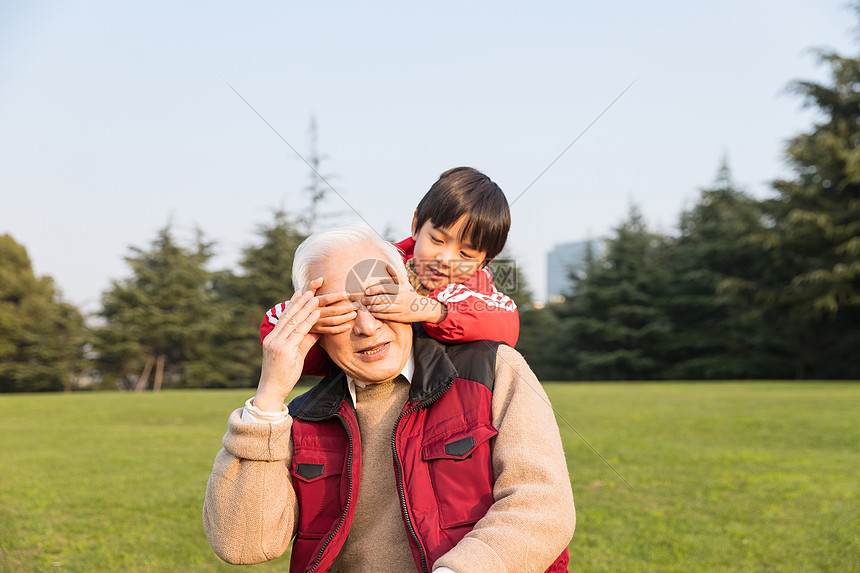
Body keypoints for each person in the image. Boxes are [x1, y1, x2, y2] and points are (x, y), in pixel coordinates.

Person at [203, 224, 576, 573]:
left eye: (378, 300)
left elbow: (541, 505)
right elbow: (242, 544)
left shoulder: (491, 370)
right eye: (341, 311)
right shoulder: (300, 419)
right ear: (311, 322)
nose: (366, 326)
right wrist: (268, 397)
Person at [260, 167, 519, 376]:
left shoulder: (475, 293)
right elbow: (274, 330)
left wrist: (428, 309)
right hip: (356, 376)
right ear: (416, 224)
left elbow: (506, 322)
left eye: (466, 254)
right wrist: (311, 318)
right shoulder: (378, 264)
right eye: (437, 240)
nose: (445, 259)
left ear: (485, 261)